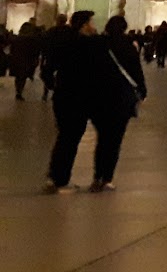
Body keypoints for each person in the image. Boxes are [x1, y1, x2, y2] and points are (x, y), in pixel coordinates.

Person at [43, 11, 100, 193]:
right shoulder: (88, 45)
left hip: (62, 96)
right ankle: (60, 180)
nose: (93, 26)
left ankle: (54, 177)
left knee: (63, 137)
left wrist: (54, 86)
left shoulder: (62, 43)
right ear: (84, 25)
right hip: (79, 98)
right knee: (70, 139)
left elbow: (47, 69)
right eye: (91, 22)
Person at [91, 15, 148, 191]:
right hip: (121, 99)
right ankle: (107, 178)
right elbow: (136, 72)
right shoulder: (128, 47)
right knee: (114, 140)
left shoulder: (98, 45)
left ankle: (97, 176)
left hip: (99, 97)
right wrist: (142, 91)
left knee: (102, 139)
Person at [39, 14, 74, 102]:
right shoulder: (70, 31)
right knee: (62, 77)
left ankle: (45, 94)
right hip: (65, 58)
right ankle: (59, 93)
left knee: (48, 75)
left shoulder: (51, 31)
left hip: (52, 57)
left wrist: (43, 59)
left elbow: (44, 46)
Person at [10, 18, 41, 100]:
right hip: (27, 59)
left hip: (17, 59)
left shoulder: (17, 38)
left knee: (18, 76)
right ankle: (20, 91)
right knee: (23, 77)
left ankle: (18, 90)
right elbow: (34, 50)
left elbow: (12, 49)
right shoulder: (32, 39)